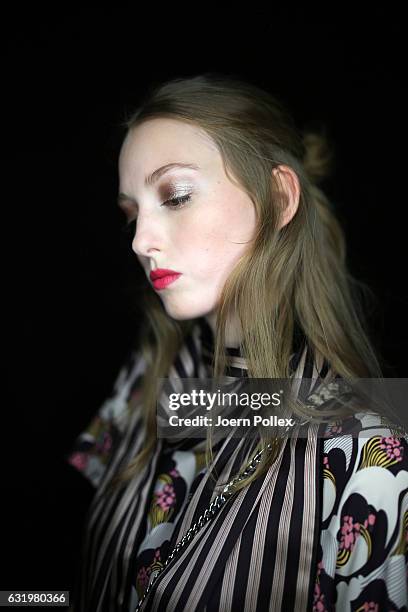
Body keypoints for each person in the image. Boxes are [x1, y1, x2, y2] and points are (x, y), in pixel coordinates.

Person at [66, 73, 408, 611]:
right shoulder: (144, 380)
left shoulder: (366, 453)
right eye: (131, 214)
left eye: (175, 196)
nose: (139, 241)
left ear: (277, 196)